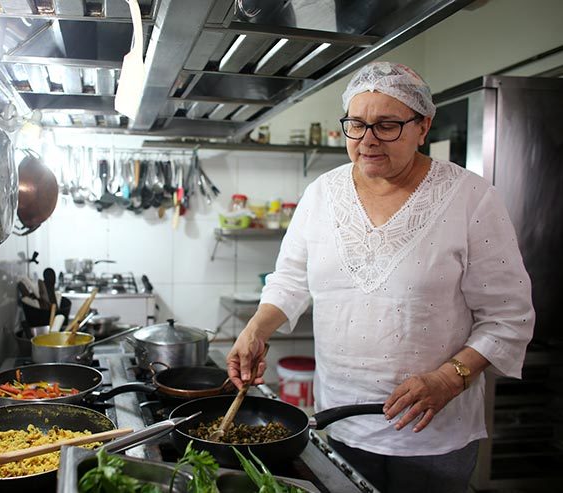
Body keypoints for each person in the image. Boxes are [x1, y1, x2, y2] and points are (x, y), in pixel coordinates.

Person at [226, 61, 534, 493]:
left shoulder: (472, 198)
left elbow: (509, 317)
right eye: (356, 124)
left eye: (387, 125)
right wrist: (257, 328)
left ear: (423, 125)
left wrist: (449, 379)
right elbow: (290, 280)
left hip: (432, 434)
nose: (367, 140)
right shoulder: (322, 194)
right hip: (340, 422)